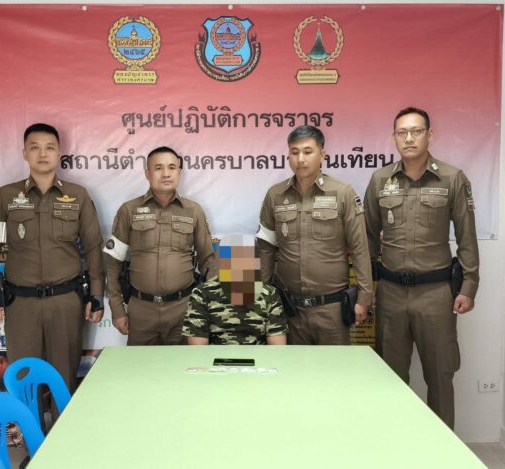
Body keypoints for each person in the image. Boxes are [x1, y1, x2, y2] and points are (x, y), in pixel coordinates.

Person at [363, 107, 480, 428]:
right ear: (394, 138)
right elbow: (367, 237)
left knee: (440, 375)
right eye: (402, 132)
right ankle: (394, 444)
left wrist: (469, 286)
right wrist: (367, 290)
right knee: (389, 377)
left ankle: (442, 450)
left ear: (430, 135)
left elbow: (467, 237)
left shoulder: (452, 178)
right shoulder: (380, 180)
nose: (409, 138)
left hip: (436, 295)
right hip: (391, 294)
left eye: (416, 131)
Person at [0, 123, 104, 392]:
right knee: (24, 379)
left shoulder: (78, 196)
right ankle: (30, 423)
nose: (43, 154)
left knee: (63, 379)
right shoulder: (5, 196)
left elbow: (94, 248)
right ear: (24, 153)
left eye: (50, 147)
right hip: (21, 304)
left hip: (66, 302)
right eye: (35, 148)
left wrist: (96, 296)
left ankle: (63, 422)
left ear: (59, 153)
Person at [256, 125, 372, 345]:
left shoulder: (342, 192)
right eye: (294, 152)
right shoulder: (275, 195)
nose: (300, 159)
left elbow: (359, 248)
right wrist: (263, 298)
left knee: (333, 367)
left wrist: (365, 297)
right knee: (292, 367)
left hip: (332, 309)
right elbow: (266, 249)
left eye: (308, 152)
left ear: (322, 154)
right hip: (289, 309)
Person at [104, 146, 217, 345]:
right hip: (141, 310)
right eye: (158, 168)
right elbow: (113, 263)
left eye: (172, 167)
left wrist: (214, 306)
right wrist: (117, 308)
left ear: (179, 172)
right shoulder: (129, 210)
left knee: (183, 364)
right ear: (147, 173)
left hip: (183, 309)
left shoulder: (194, 211)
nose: (166, 174)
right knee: (140, 364)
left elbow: (208, 261)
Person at [183, 234, 287, 345]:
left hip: (258, 355)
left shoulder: (269, 294)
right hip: (215, 355)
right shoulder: (201, 294)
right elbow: (198, 348)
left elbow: (277, 347)